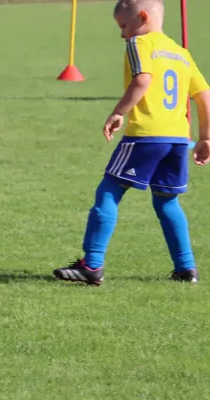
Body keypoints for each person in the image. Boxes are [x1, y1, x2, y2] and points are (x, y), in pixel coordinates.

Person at [53, 0, 210, 285]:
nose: (123, 35)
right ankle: (187, 268)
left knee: (109, 191)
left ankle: (92, 264)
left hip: (146, 134)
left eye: (124, 26)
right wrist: (206, 137)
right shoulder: (181, 53)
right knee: (167, 201)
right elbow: (204, 96)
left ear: (142, 18)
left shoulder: (140, 44)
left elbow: (143, 81)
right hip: (177, 138)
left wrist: (118, 112)